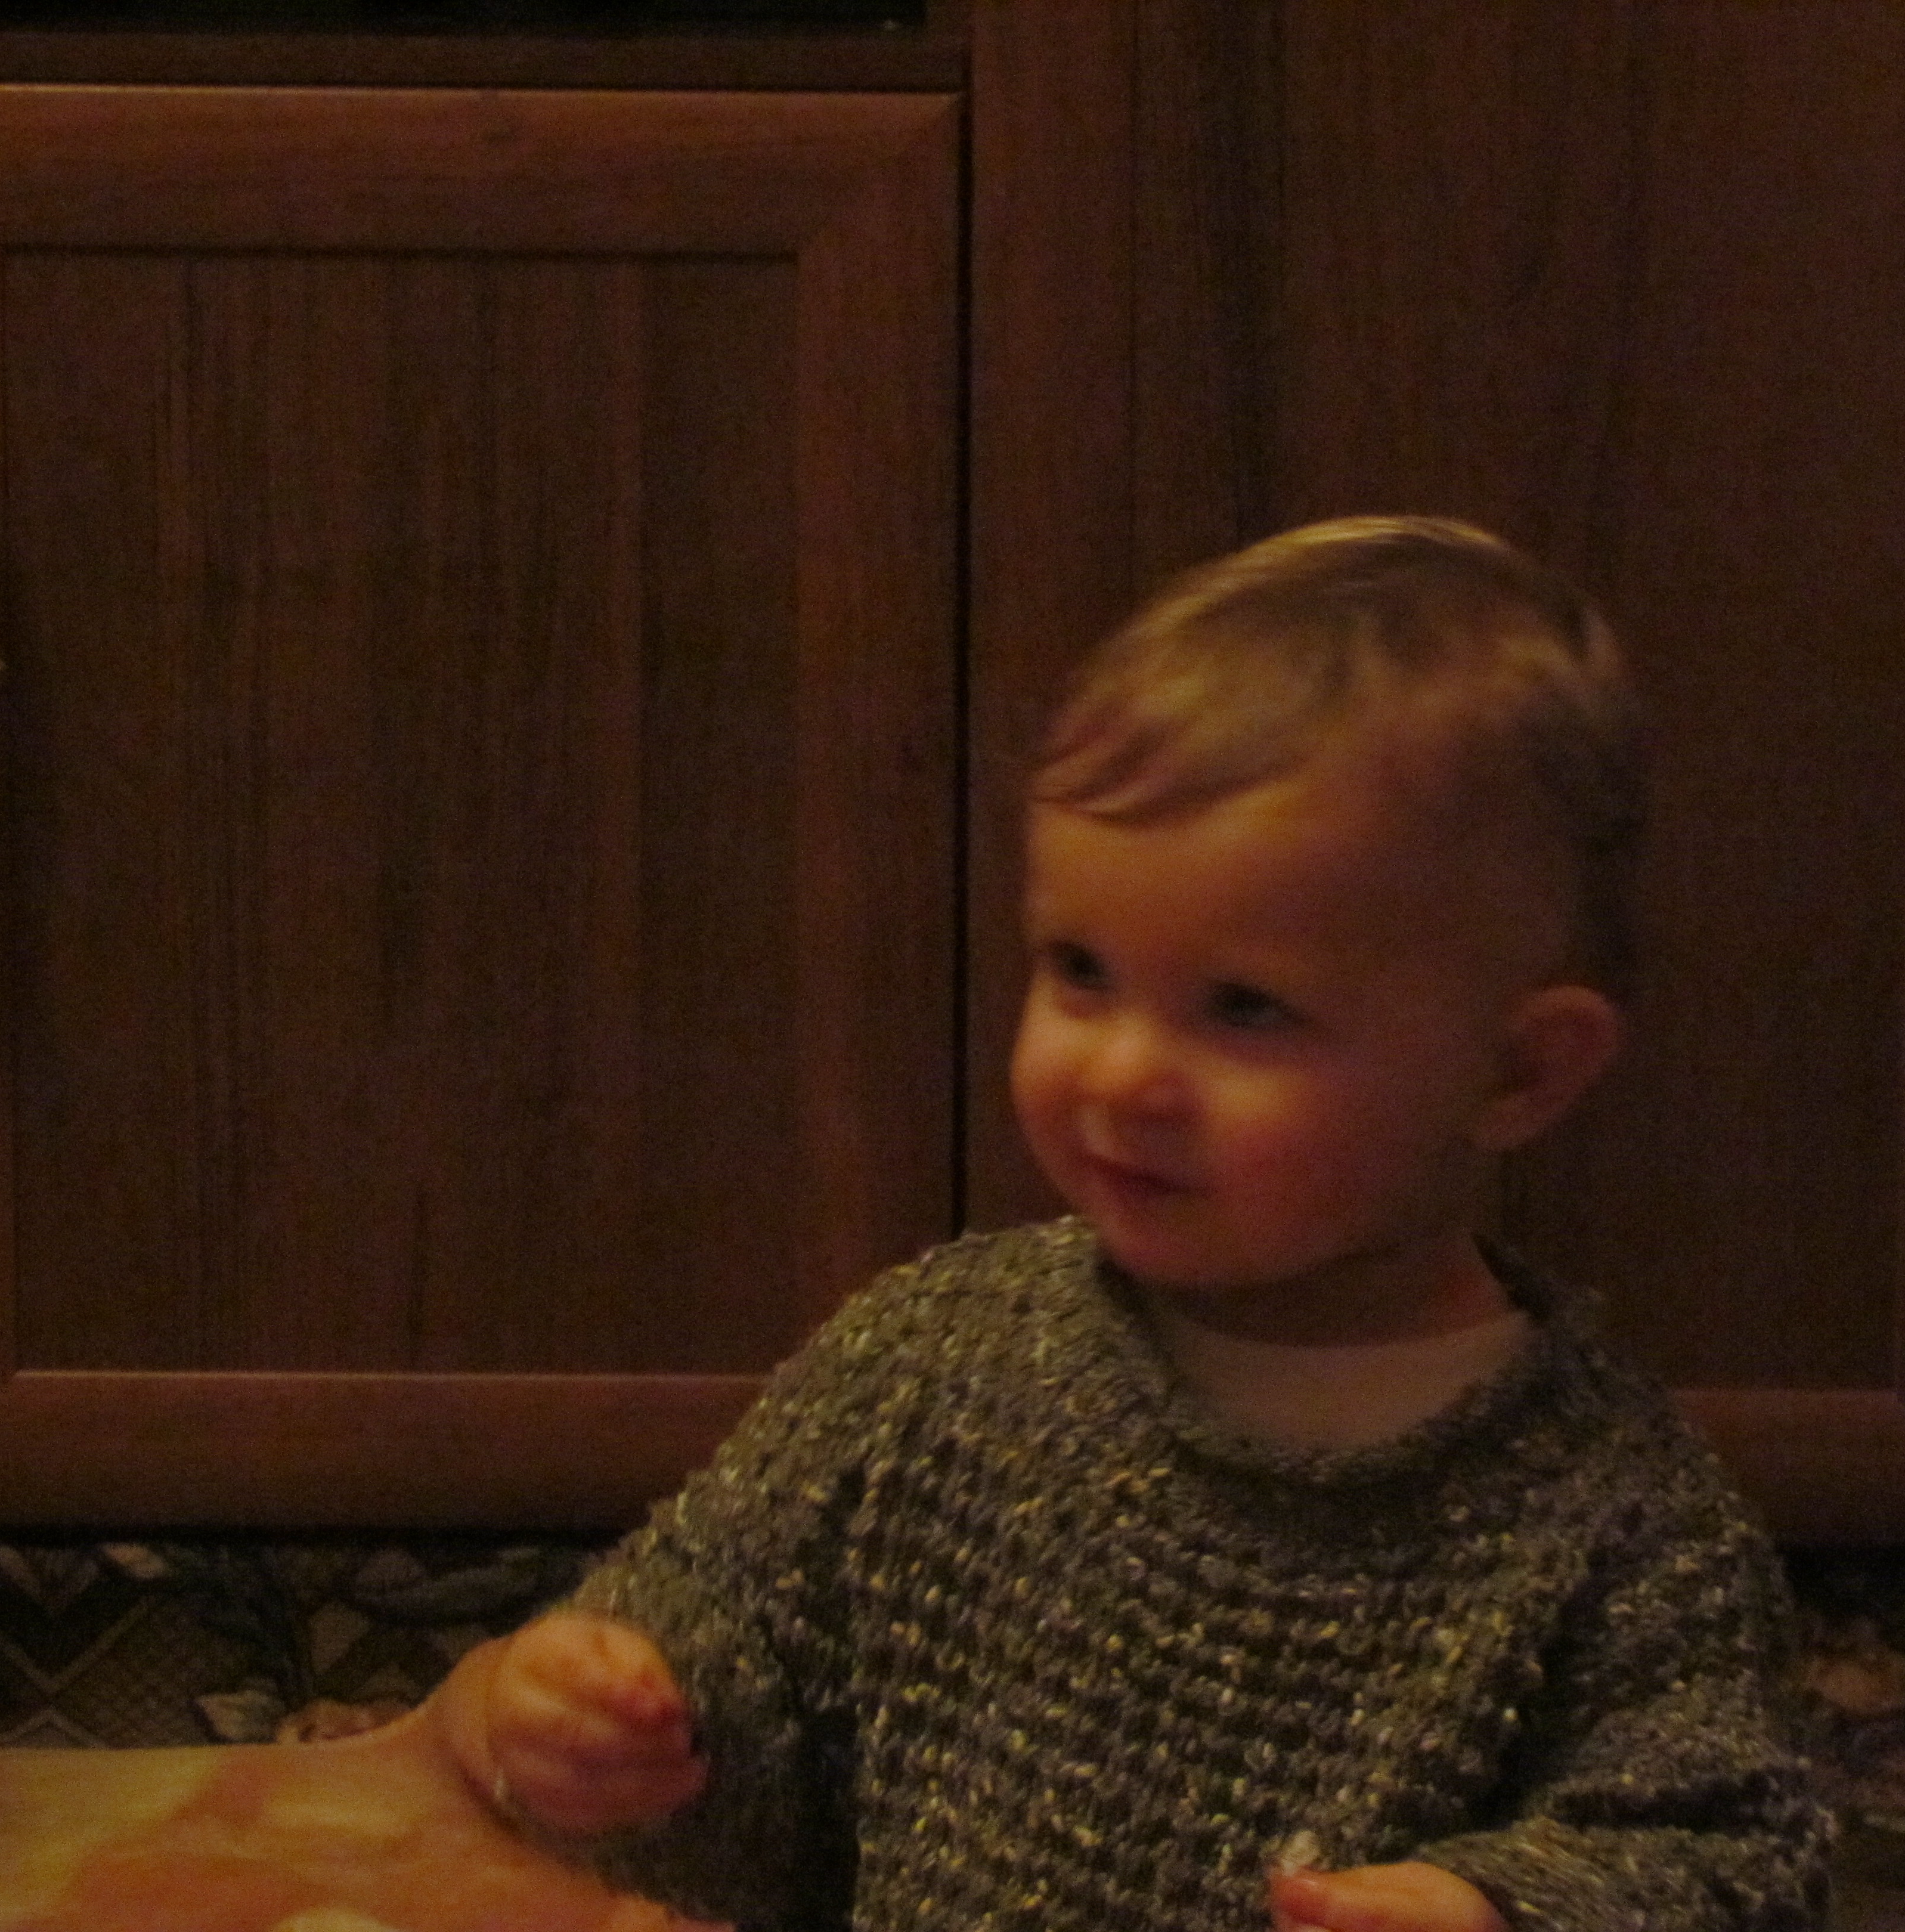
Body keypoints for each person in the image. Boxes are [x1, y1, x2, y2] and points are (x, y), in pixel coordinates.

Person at [422, 516, 1832, 1931]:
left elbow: (1729, 1858)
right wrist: (624, 1724)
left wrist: (1501, 1907)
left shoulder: (1613, 1510)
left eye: (1245, 1008)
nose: (1122, 1076)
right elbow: (729, 1649)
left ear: (1519, 1070)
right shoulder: (933, 1364)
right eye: (1081, 971)